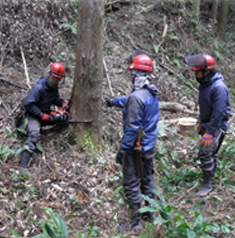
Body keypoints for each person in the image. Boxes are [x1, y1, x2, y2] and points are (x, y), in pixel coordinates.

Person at [106, 51, 160, 232]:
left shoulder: (137, 98)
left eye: (132, 74)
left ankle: (135, 222)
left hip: (136, 148)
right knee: (147, 178)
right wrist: (113, 102)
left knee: (132, 182)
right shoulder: (151, 93)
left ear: (136, 74)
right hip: (149, 145)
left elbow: (132, 128)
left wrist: (123, 149)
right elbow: (131, 101)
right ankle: (151, 214)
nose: (130, 77)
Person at [184, 53, 231, 196]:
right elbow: (206, 106)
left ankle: (207, 184)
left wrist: (210, 131)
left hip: (216, 126)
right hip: (207, 123)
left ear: (207, 71)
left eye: (198, 71)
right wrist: (201, 122)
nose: (196, 74)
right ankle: (210, 177)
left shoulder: (218, 88)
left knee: (205, 153)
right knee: (211, 153)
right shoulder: (206, 85)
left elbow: (219, 112)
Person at [19, 62, 69, 178]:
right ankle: (23, 166)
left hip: (45, 114)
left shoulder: (53, 88)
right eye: (55, 78)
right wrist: (41, 115)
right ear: (49, 74)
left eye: (58, 79)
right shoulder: (39, 88)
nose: (56, 81)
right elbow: (27, 104)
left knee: (63, 117)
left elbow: (54, 98)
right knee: (34, 136)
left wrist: (62, 103)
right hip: (32, 116)